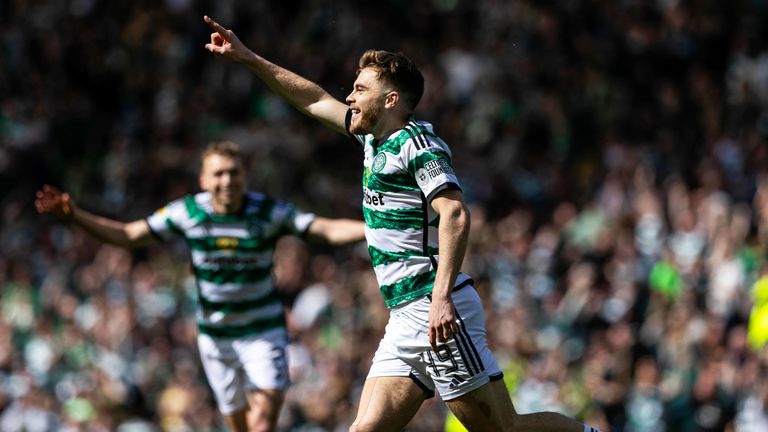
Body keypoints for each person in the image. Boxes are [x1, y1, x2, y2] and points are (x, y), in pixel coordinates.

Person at [202, 15, 602, 432]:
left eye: (360, 89)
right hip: (403, 316)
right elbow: (314, 99)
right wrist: (249, 59)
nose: (350, 97)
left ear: (390, 100)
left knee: (503, 430)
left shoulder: (418, 146)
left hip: (436, 311)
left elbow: (455, 213)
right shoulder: (373, 138)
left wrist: (442, 297)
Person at [35, 141, 366, 432]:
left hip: (264, 332)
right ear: (204, 180)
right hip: (216, 338)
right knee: (240, 426)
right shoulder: (188, 213)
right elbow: (128, 235)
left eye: (233, 172)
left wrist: (374, 228)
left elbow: (322, 228)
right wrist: (74, 216)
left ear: (244, 176)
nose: (227, 181)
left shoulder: (266, 212)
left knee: (262, 423)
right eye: (218, 174)